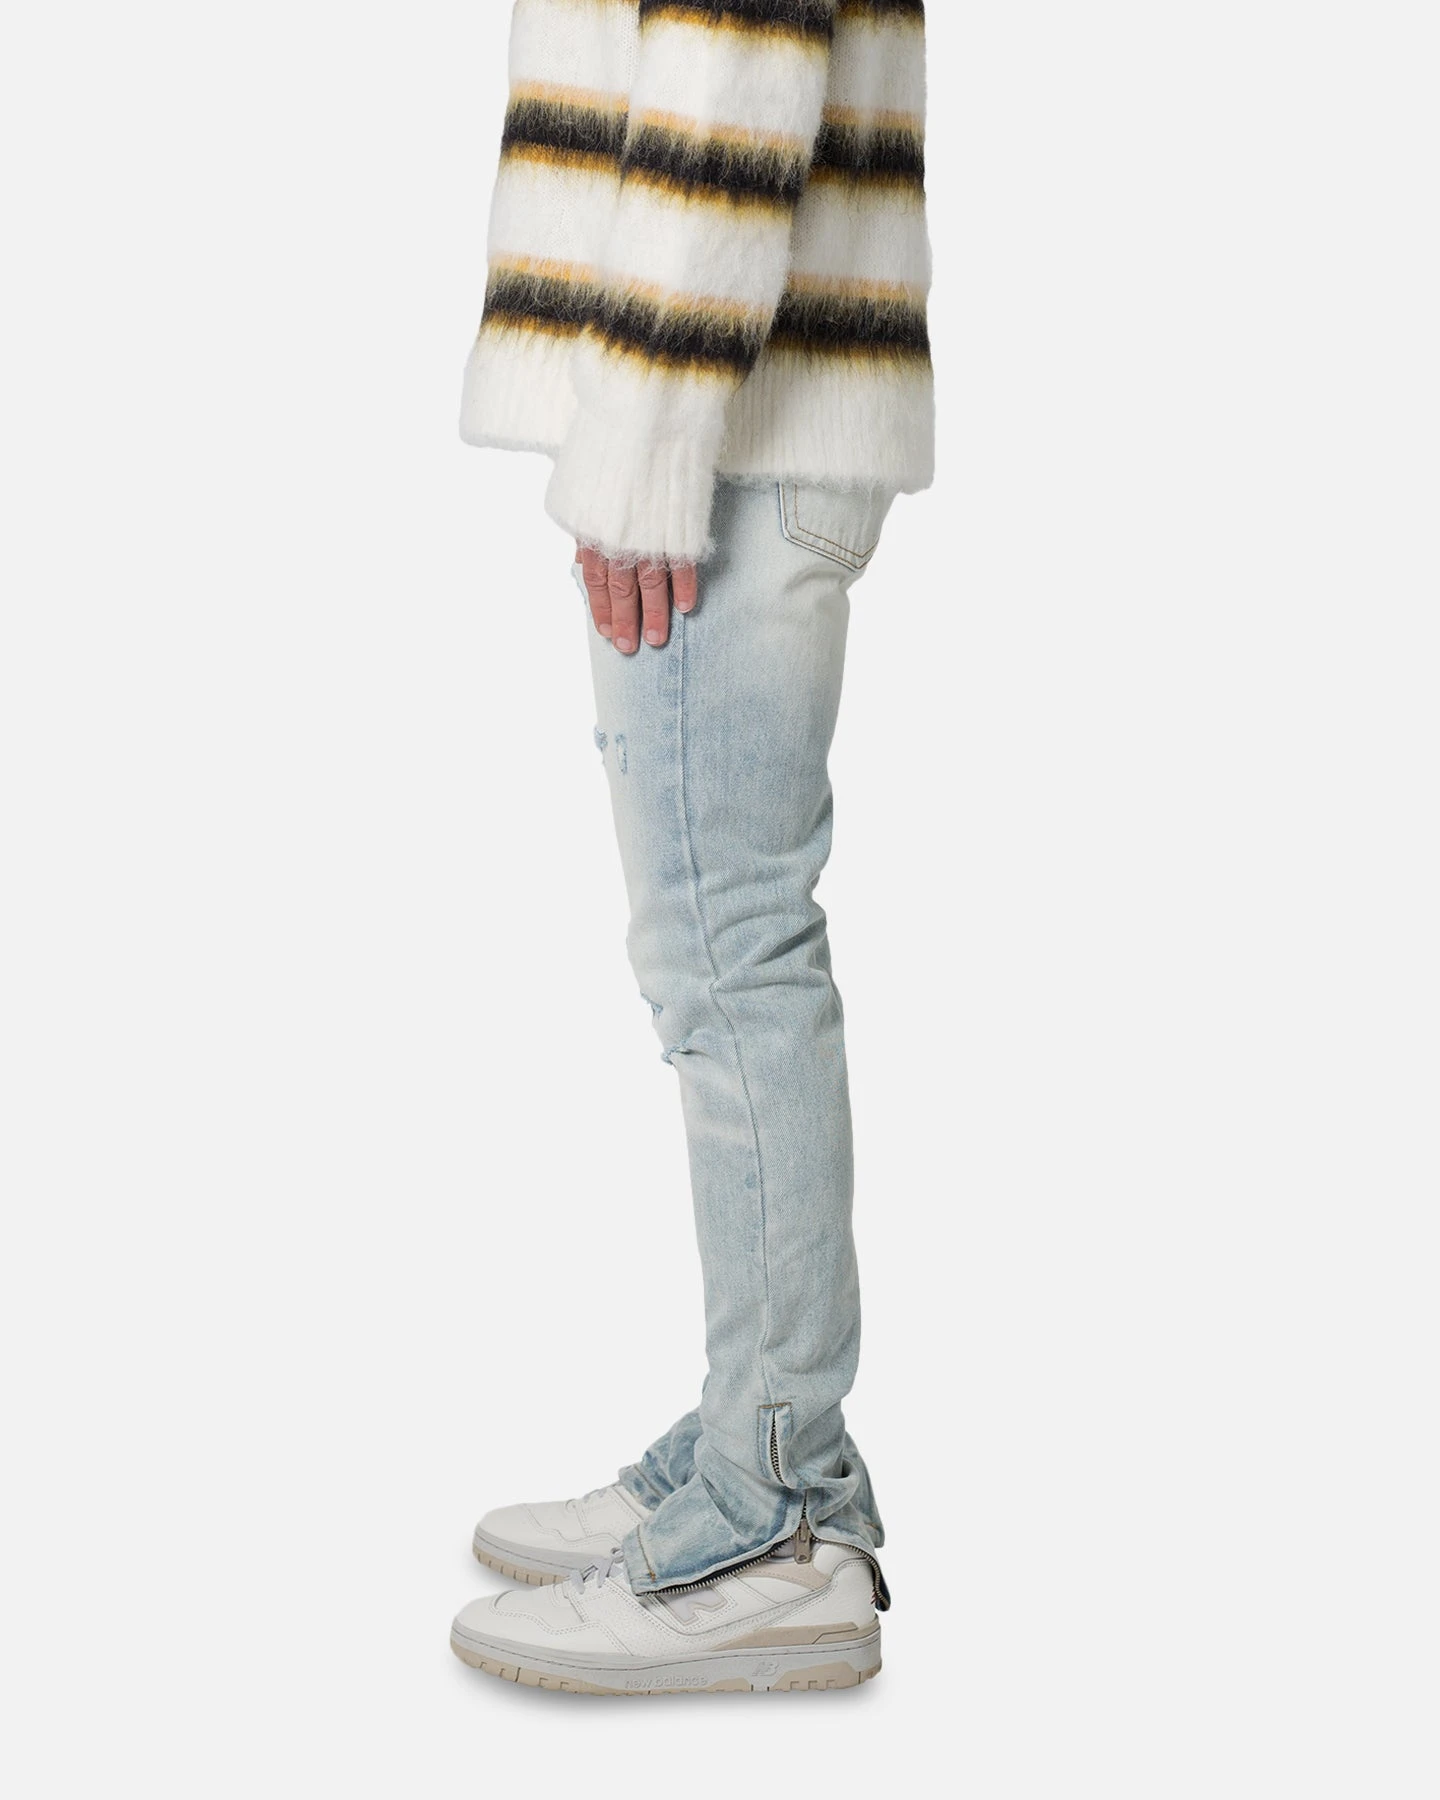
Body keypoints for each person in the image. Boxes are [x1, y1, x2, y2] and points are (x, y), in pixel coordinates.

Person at [449, 0, 932, 1696]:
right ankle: (761, 1435)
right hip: (750, 401)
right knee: (723, 952)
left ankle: (775, 1511)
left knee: (728, 955)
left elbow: (735, 53)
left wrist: (646, 429)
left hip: (726, 418)